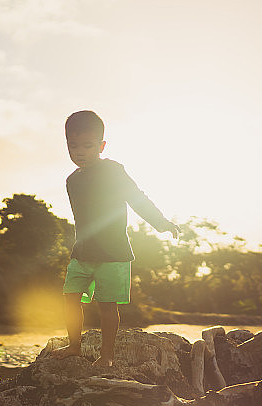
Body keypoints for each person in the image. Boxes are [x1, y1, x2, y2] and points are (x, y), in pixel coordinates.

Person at [51, 110, 180, 366]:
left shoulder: (113, 170)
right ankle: (74, 346)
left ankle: (106, 356)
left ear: (101, 145)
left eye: (87, 146)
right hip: (82, 252)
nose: (80, 151)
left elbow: (137, 198)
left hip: (113, 253)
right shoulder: (71, 180)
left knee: (107, 305)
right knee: (70, 297)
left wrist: (161, 223)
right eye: (73, 145)